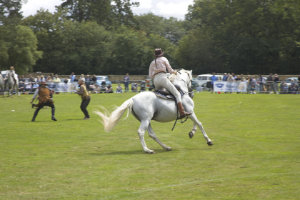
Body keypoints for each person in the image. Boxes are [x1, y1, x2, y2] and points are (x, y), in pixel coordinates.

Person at [148, 48, 191, 118]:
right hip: (163, 78)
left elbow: (150, 75)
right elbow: (170, 70)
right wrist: (175, 72)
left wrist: (156, 75)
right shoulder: (164, 59)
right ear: (161, 53)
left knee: (159, 95)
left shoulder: (152, 62)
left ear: (155, 55)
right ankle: (182, 111)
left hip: (155, 80)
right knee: (177, 94)